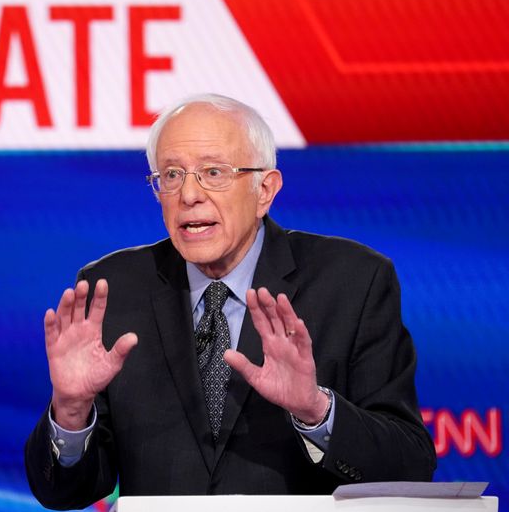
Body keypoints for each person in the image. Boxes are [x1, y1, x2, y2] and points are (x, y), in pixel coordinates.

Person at [25, 94, 436, 508]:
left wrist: (315, 409)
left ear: (265, 190)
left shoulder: (352, 282)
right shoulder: (112, 290)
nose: (188, 195)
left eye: (213, 172)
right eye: (170, 175)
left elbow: (411, 465)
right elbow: (64, 492)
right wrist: (71, 412)